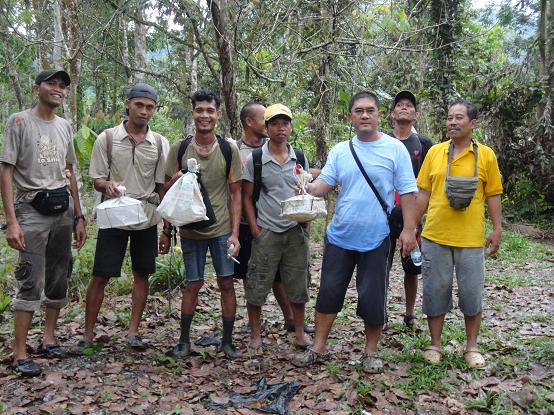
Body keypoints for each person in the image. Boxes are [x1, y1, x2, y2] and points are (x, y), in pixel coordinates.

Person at [291, 91, 418, 373]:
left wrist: (409, 229)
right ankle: (318, 347)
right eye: (358, 111)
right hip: (340, 235)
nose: (364, 115)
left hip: (377, 236)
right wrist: (307, 188)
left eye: (369, 110)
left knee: (373, 296)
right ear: (350, 117)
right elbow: (325, 182)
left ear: (379, 115)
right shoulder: (341, 150)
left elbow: (409, 192)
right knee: (329, 292)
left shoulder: (395, 149)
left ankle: (371, 352)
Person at [0, 69, 87, 376]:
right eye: (51, 83)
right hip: (30, 209)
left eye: (62, 85)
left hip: (61, 206)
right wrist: (12, 221)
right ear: (36, 87)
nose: (58, 89)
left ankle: (48, 339)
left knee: (58, 275)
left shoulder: (64, 125)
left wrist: (79, 215)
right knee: (30, 280)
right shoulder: (19, 121)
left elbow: (69, 171)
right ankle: (20, 352)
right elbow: (7, 171)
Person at [72, 83, 169, 353]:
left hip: (146, 218)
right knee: (101, 274)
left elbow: (162, 186)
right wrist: (107, 186)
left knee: (142, 274)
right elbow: (97, 179)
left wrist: (167, 228)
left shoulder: (159, 143)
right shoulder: (107, 138)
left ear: (154, 110)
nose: (144, 111)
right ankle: (88, 335)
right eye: (139, 105)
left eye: (149, 107)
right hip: (114, 216)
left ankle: (133, 332)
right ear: (127, 105)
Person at [414, 100, 503, 369]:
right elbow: (423, 193)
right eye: (449, 117)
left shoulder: (485, 155)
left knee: (471, 293)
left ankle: (472, 346)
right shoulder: (436, 153)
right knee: (434, 290)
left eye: (459, 118)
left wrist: (497, 228)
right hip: (435, 235)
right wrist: (411, 227)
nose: (452, 122)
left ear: (473, 123)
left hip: (471, 239)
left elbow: (493, 194)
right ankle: (434, 344)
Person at [159, 90, 243, 359]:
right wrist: (167, 229)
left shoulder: (229, 149)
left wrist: (235, 234)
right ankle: (184, 341)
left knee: (226, 282)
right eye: (199, 110)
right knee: (192, 284)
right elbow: (165, 192)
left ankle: (227, 342)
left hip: (220, 230)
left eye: (210, 110)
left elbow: (236, 193)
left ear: (218, 114)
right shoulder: (180, 149)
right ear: (192, 113)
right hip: (190, 229)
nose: (204, 115)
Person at [235, 102, 313, 335]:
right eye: (275, 124)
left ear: (291, 127)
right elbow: (247, 197)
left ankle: (299, 332)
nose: (281, 129)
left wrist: (305, 225)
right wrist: (256, 229)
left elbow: (305, 190)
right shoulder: (256, 159)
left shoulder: (299, 157)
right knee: (257, 283)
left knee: (298, 283)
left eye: (285, 124)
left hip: (294, 230)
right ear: (267, 129)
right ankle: (256, 334)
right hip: (267, 230)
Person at [388, 91, 433, 330]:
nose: (404, 108)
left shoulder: (424, 144)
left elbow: (430, 182)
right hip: (384, 211)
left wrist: (420, 215)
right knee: (381, 263)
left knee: (412, 265)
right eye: (400, 105)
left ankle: (409, 314)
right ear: (392, 113)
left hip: (412, 213)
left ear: (415, 115)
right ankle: (379, 312)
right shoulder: (382, 140)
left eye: (409, 106)